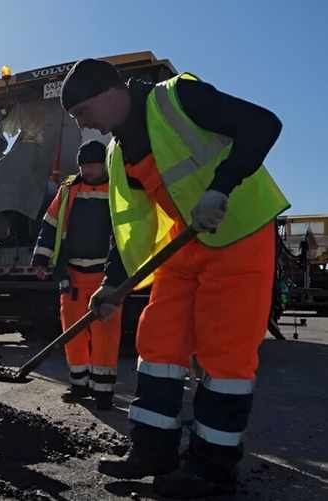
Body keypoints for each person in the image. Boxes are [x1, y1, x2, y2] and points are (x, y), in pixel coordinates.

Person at [60, 59, 288, 498]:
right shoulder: (117, 151)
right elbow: (132, 224)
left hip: (237, 235)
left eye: (82, 112)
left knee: (224, 359)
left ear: (111, 93)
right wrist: (114, 282)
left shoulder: (177, 98)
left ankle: (212, 470)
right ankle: (152, 451)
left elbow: (263, 124)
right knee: (159, 346)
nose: (83, 124)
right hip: (182, 248)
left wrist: (220, 187)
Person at [31, 140, 120, 410]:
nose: (88, 171)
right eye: (84, 166)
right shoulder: (68, 190)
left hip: (107, 279)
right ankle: (79, 385)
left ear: (103, 164)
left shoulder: (117, 189)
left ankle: (103, 392)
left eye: (92, 166)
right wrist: (41, 258)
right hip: (72, 277)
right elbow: (50, 225)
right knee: (73, 334)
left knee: (106, 336)